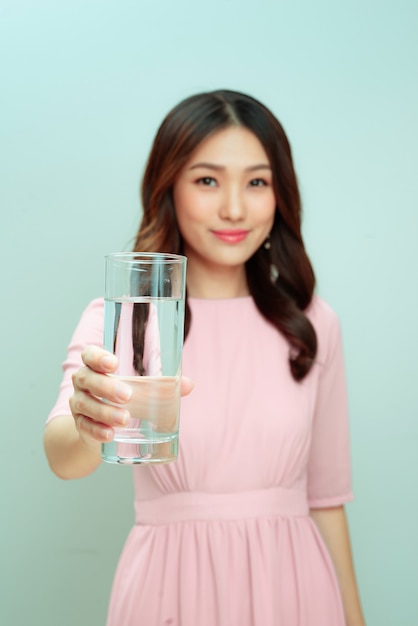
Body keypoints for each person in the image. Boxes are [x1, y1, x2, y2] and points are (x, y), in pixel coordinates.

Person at [44, 89, 366, 626]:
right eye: (208, 180)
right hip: (169, 591)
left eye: (257, 182)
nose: (234, 208)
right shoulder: (127, 316)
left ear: (280, 193)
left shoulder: (313, 322)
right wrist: (86, 417)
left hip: (297, 591)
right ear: (168, 187)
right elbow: (62, 457)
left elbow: (327, 498)